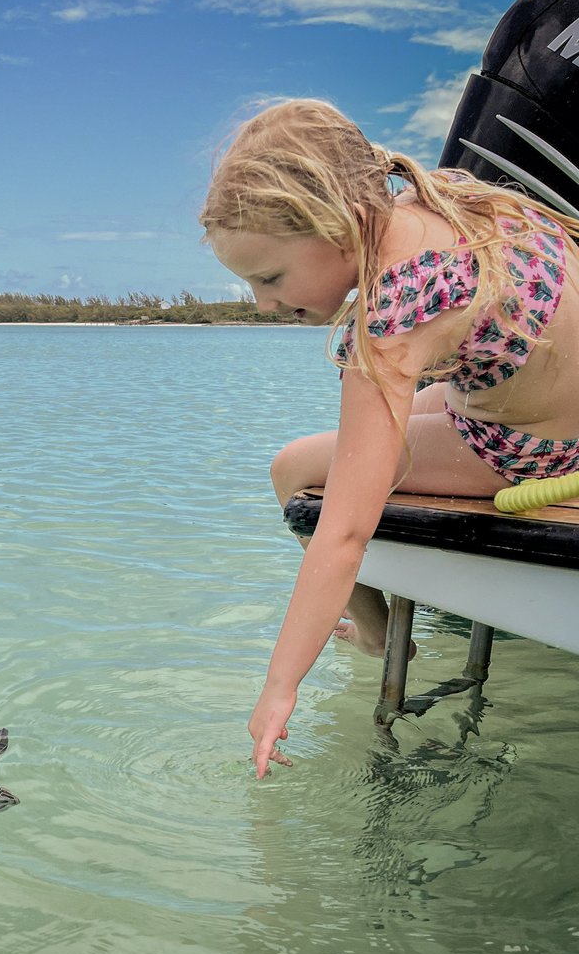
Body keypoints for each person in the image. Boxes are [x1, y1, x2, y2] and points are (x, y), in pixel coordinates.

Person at [199, 98, 579, 779]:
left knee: (294, 471)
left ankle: (374, 638)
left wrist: (279, 686)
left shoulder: (392, 312)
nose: (261, 302)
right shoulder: (445, 200)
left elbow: (346, 533)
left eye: (270, 276)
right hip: (532, 394)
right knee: (373, 434)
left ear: (337, 228)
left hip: (541, 445)